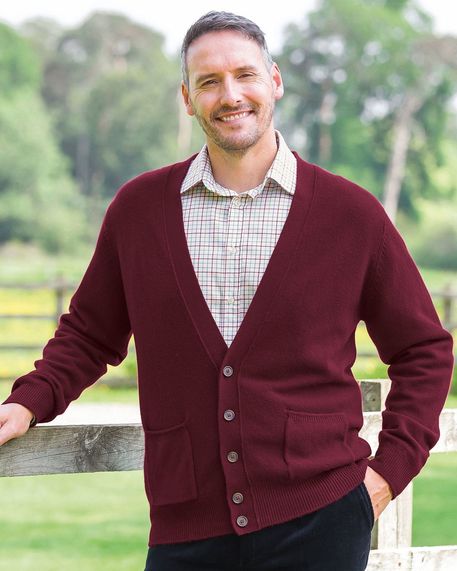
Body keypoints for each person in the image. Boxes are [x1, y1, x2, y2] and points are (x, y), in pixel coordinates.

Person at [0, 10, 454, 571]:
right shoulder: (139, 212)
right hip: (185, 525)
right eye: (209, 81)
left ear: (275, 81)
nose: (230, 95)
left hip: (323, 520)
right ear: (187, 99)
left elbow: (423, 350)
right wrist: (29, 400)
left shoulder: (350, 215)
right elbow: (90, 335)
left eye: (245, 75)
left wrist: (386, 475)